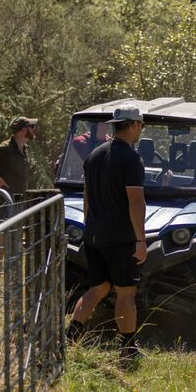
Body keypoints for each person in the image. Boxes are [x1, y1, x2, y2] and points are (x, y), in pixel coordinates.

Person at [66, 103, 147, 366]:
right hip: (121, 238)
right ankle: (128, 349)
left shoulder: (94, 155)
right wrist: (141, 240)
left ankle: (69, 339)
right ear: (134, 125)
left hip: (94, 236)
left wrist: (91, 229)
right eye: (141, 125)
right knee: (126, 292)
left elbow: (86, 198)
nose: (141, 129)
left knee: (97, 288)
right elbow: (136, 202)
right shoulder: (132, 159)